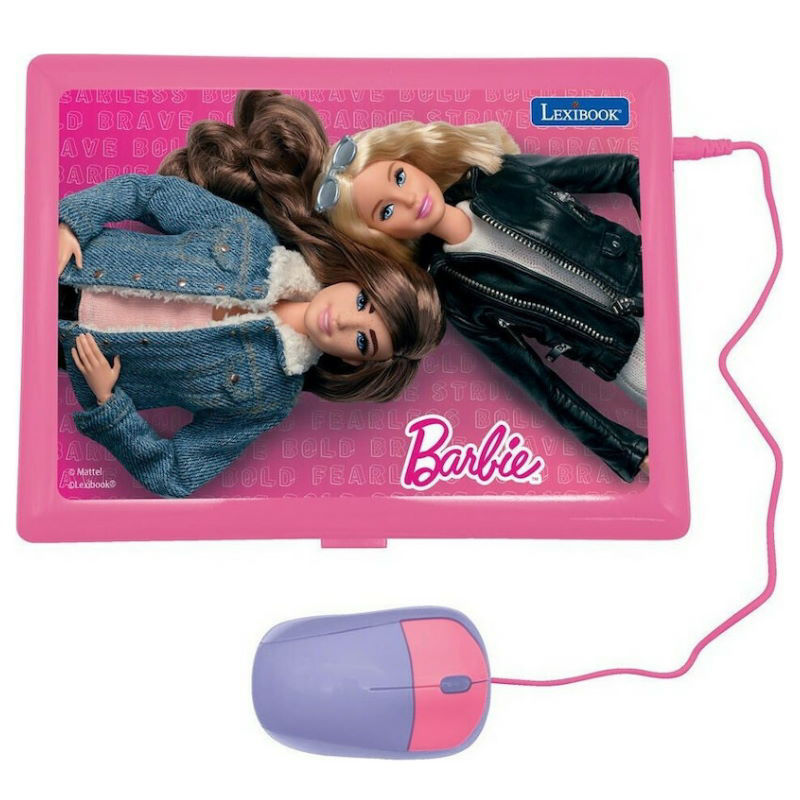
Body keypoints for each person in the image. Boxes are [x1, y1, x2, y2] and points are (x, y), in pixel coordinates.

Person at [58, 172, 445, 498]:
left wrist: (109, 404)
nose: (344, 321)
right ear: (358, 277)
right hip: (63, 260)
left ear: (353, 360)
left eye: (363, 341)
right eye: (362, 302)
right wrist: (73, 221)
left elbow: (176, 474)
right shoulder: (252, 238)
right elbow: (150, 193)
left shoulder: (269, 398)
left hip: (53, 350)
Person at [312, 119, 648, 482]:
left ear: (411, 161)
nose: (409, 199)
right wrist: (629, 451)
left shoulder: (498, 176)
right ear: (380, 236)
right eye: (386, 211)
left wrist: (663, 252)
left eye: (400, 177)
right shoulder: (454, 291)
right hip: (634, 361)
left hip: (661, 280)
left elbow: (627, 170)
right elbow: (541, 385)